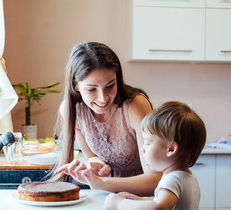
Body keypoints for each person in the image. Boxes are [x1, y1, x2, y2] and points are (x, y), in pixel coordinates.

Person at [53, 42, 161, 196]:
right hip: (104, 196)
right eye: (91, 89)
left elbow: (155, 179)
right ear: (76, 85)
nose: (103, 98)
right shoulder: (72, 110)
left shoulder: (135, 106)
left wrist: (102, 183)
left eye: (110, 85)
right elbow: (92, 156)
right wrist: (97, 166)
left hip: (141, 199)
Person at [104, 101, 206, 210]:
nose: (142, 148)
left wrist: (119, 204)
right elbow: (167, 202)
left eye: (147, 142)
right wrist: (140, 200)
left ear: (170, 149)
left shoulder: (172, 180)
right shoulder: (187, 176)